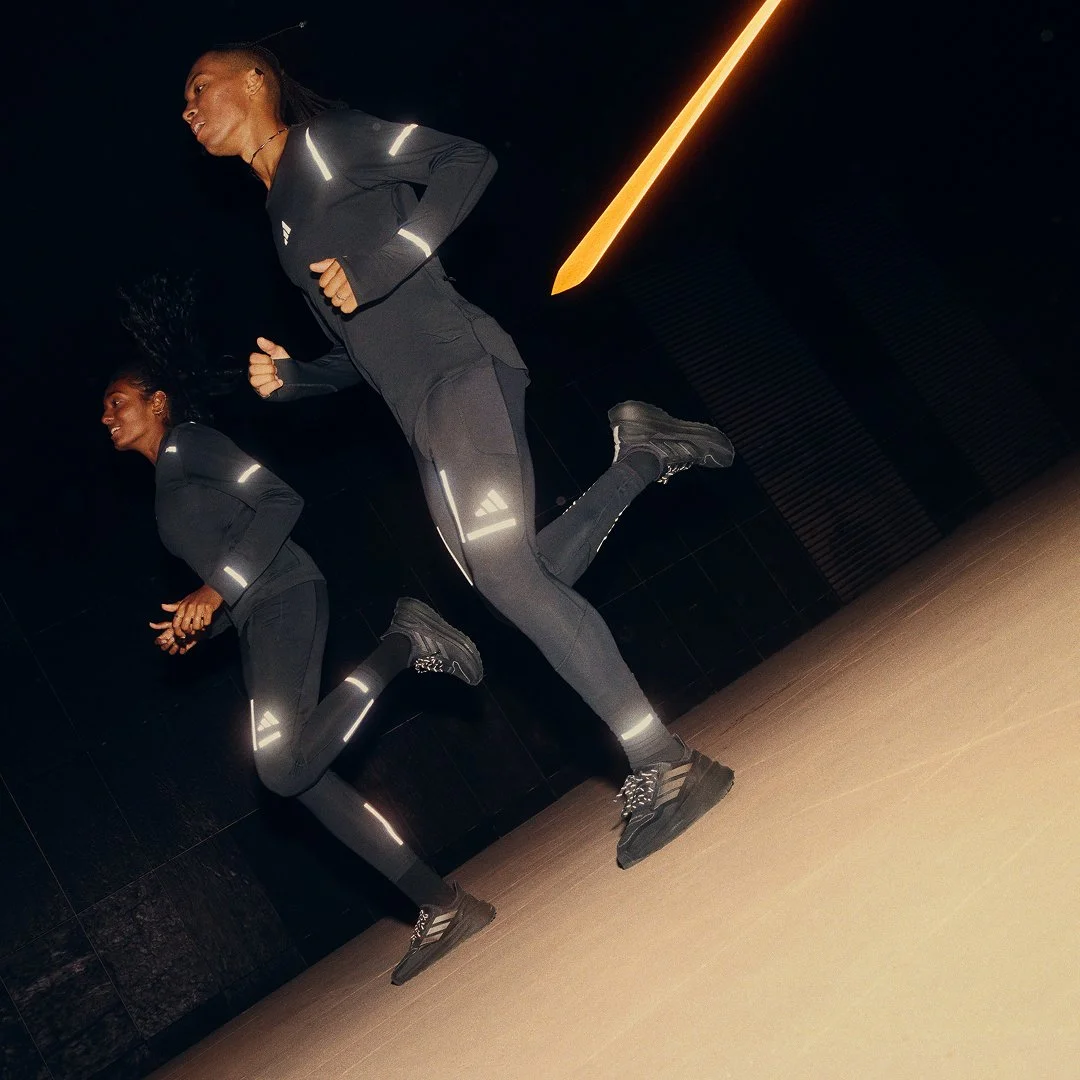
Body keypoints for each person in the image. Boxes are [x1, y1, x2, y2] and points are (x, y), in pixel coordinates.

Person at [180, 44, 736, 869]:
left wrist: (390, 257)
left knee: (507, 575)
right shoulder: (281, 216)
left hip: (465, 369)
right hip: (420, 410)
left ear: (256, 79)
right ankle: (642, 458)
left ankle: (665, 761)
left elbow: (465, 161)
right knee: (514, 576)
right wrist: (295, 379)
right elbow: (361, 349)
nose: (189, 109)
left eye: (199, 87)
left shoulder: (326, 145)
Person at [103, 279, 495, 984]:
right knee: (304, 781)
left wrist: (213, 587)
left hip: (287, 593)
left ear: (156, 402)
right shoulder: (165, 484)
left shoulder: (190, 444)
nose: (107, 418)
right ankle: (441, 903)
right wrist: (203, 623)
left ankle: (406, 641)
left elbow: (281, 499)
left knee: (280, 767)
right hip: (258, 617)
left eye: (117, 403)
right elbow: (226, 569)